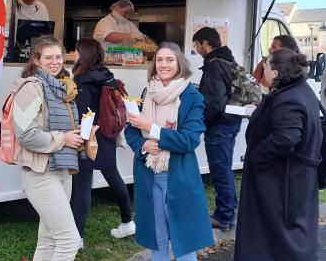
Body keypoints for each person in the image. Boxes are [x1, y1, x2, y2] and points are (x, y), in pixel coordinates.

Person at [125, 42, 213, 261]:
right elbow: (131, 131)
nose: (163, 65)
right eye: (160, 60)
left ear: (179, 63)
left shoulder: (193, 96)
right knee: (157, 240)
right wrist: (143, 145)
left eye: (169, 60)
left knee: (184, 244)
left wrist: (151, 129)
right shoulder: (148, 91)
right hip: (148, 176)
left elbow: (189, 140)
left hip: (178, 177)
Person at [234, 49, 322, 261]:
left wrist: (256, 157)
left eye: (265, 66)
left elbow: (285, 138)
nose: (262, 69)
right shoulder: (299, 90)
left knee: (282, 242)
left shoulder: (289, 98)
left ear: (276, 71)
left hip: (281, 184)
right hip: (290, 181)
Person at [12, 35, 83, 261]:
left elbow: (58, 129)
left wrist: (81, 133)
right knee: (70, 240)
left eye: (59, 57)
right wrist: (64, 139)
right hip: (41, 175)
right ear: (36, 60)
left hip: (63, 171)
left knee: (50, 238)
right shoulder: (30, 89)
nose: (55, 62)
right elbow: (25, 135)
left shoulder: (63, 88)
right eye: (48, 57)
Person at [70, 37, 135, 248]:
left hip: (89, 134)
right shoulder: (107, 76)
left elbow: (84, 113)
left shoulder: (83, 81)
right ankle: (127, 221)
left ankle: (76, 237)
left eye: (76, 51)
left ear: (84, 56)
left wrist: (81, 136)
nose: (73, 54)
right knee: (113, 175)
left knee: (82, 185)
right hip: (106, 133)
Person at [192, 27, 241, 231]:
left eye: (196, 45)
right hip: (231, 121)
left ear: (205, 43)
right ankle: (230, 213)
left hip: (220, 125)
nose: (196, 49)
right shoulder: (228, 59)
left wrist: (200, 122)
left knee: (220, 170)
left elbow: (214, 102)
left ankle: (224, 215)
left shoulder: (214, 64)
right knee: (225, 169)